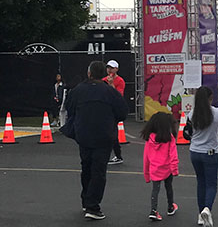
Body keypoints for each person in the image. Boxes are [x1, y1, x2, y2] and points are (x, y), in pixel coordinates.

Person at [64, 61, 128, 220]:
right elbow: (122, 112)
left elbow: (69, 108)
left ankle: (86, 200)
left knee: (86, 167)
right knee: (98, 171)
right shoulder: (109, 92)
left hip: (84, 135)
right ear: (104, 74)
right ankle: (92, 206)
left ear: (89, 73)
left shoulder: (78, 91)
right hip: (103, 136)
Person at [188, 86, 218, 227]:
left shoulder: (192, 114)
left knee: (201, 182)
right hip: (210, 152)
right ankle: (207, 208)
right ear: (211, 98)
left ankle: (200, 214)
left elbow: (188, 132)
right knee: (211, 184)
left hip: (195, 152)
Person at [141, 112, 179, 221]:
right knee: (169, 187)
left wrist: (146, 175)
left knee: (155, 190)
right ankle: (170, 206)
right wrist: (174, 169)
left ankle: (153, 210)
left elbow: (146, 158)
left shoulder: (149, 139)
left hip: (154, 169)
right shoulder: (169, 138)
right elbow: (173, 155)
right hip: (167, 169)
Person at [104, 60, 126, 165]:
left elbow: (118, 96)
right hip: (105, 109)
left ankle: (118, 155)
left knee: (112, 133)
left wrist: (111, 84)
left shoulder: (120, 81)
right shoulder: (103, 80)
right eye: (108, 68)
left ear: (116, 69)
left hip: (114, 110)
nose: (109, 70)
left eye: (112, 68)